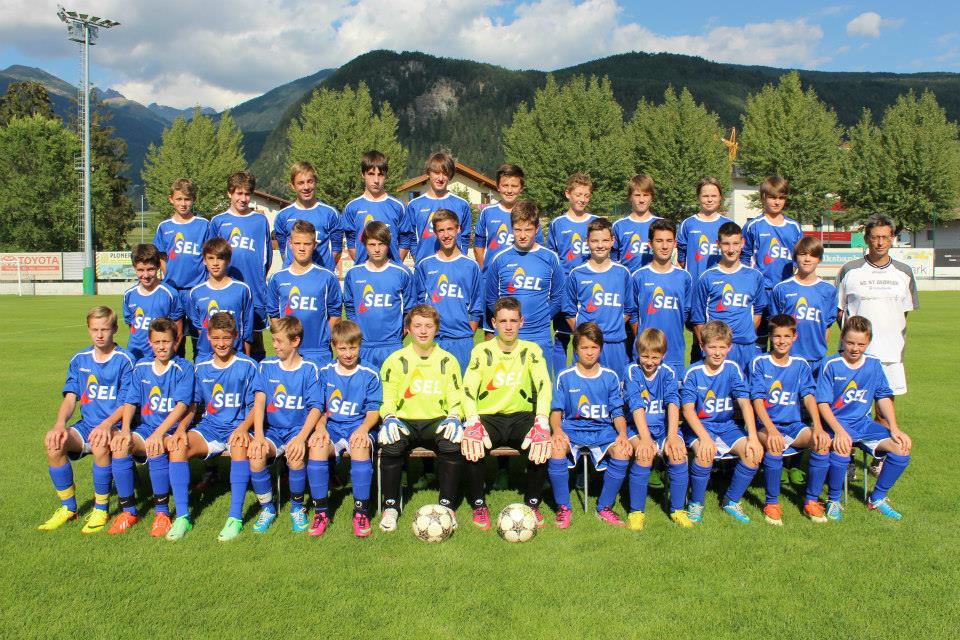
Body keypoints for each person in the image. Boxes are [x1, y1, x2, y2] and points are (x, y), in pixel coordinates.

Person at [38, 307, 136, 534]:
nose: (100, 335)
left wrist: (107, 424)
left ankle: (101, 508)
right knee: (54, 443)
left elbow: (127, 403)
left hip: (114, 426)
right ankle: (68, 508)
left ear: (115, 329)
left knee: (100, 443)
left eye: (105, 329)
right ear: (88, 330)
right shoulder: (79, 359)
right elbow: (70, 398)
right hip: (87, 425)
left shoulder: (125, 360)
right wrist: (60, 425)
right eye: (95, 330)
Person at [461, 297, 553, 529]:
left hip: (521, 416)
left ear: (522, 321)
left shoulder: (531, 350)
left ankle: (532, 504)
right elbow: (468, 388)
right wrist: (472, 420)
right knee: (473, 445)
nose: (509, 326)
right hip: (488, 417)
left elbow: (544, 385)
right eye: (503, 321)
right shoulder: (481, 350)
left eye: (513, 320)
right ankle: (479, 504)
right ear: (494, 323)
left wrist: (542, 420)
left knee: (540, 443)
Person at [165, 312, 258, 541]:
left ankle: (235, 518)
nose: (221, 343)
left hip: (238, 427)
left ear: (235, 336)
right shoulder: (202, 366)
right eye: (216, 338)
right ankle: (182, 517)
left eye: (226, 338)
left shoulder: (248, 365)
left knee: (239, 447)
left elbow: (257, 406)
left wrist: (243, 428)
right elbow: (193, 404)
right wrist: (181, 429)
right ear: (208, 337)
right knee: (177, 447)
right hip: (210, 428)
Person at [836, 214, 918, 476]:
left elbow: (903, 314)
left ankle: (878, 459)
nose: (880, 242)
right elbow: (840, 312)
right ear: (866, 238)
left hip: (890, 355)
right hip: (854, 357)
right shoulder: (850, 270)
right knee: (848, 410)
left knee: (884, 411)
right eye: (875, 237)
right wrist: (853, 344)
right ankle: (847, 458)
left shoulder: (904, 273)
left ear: (892, 239)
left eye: (885, 237)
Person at [376, 305, 465, 532]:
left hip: (436, 420)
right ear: (408, 328)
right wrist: (388, 417)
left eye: (428, 326)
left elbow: (456, 398)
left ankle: (447, 505)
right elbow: (387, 397)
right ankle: (391, 506)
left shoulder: (448, 360)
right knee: (391, 446)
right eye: (417, 326)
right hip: (403, 420)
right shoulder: (395, 360)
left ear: (437, 329)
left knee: (452, 445)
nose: (423, 331)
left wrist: (455, 416)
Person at [816, 316, 913, 521]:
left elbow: (883, 397)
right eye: (850, 342)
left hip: (864, 425)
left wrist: (894, 428)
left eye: (861, 344)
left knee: (901, 448)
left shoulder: (873, 364)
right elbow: (822, 403)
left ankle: (877, 498)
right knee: (843, 447)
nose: (855, 348)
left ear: (868, 342)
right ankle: (834, 500)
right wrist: (839, 432)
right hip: (836, 425)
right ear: (842, 339)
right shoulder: (830, 364)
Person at [112, 317, 194, 536]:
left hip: (170, 430)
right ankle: (128, 512)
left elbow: (182, 406)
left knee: (155, 446)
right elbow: (131, 401)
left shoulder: (184, 367)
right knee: (120, 445)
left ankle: (162, 514)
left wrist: (159, 433)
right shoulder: (142, 367)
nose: (161, 347)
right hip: (146, 428)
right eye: (157, 342)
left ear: (175, 341)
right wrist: (125, 429)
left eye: (166, 341)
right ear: (149, 342)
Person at [750, 314, 832, 526]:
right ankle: (772, 503)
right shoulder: (760, 362)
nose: (782, 341)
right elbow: (757, 401)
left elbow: (809, 396)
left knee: (822, 442)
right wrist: (771, 429)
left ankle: (811, 500)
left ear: (795, 337)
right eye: (777, 336)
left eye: (787, 336)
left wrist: (817, 427)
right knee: (774, 444)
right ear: (770, 336)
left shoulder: (800, 364)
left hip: (794, 426)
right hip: (766, 426)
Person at [548, 323, 631, 529]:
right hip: (572, 430)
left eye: (594, 347)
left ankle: (604, 507)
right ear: (576, 349)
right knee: (556, 447)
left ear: (601, 348)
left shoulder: (610, 376)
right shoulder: (564, 376)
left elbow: (617, 413)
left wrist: (622, 434)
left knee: (622, 451)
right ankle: (563, 507)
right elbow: (556, 412)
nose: (589, 352)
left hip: (602, 431)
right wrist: (557, 430)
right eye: (584, 347)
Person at [246, 316, 324, 534]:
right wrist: (258, 436)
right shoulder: (266, 366)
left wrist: (301, 439)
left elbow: (316, 408)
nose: (275, 345)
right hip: (272, 431)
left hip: (298, 430)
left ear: (295, 341)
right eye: (273, 340)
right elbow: (259, 401)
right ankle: (267, 508)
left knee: (295, 456)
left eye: (279, 341)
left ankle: (297, 507)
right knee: (256, 456)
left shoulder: (310, 368)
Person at [680, 320, 762, 524]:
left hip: (727, 427)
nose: (717, 353)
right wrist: (705, 438)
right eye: (712, 347)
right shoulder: (693, 372)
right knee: (705, 453)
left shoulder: (733, 369)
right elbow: (688, 410)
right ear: (702, 346)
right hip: (699, 428)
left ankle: (731, 501)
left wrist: (753, 437)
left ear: (729, 347)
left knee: (753, 453)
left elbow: (745, 404)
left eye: (722, 347)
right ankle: (696, 502)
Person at [308, 320, 382, 537]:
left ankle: (361, 512)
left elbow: (373, 411)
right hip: (332, 428)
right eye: (342, 348)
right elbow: (319, 408)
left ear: (360, 345)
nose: (348, 354)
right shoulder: (325, 372)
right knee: (317, 447)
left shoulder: (370, 373)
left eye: (353, 348)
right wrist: (320, 428)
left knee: (359, 447)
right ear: (334, 346)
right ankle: (321, 512)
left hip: (359, 426)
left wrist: (364, 429)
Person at [623, 328, 693, 530]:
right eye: (645, 356)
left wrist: (672, 436)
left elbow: (673, 403)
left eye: (655, 357)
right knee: (644, 455)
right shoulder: (631, 371)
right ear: (638, 353)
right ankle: (636, 512)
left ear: (663, 355)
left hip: (663, 429)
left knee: (678, 453)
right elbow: (636, 406)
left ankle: (678, 509)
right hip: (637, 428)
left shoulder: (668, 372)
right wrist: (645, 440)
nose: (649, 362)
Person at [484, 200, 564, 374]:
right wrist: (507, 321)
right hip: (507, 336)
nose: (522, 235)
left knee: (540, 386)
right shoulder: (500, 259)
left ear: (537, 229)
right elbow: (491, 298)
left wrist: (543, 317)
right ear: (511, 228)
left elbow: (558, 297)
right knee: (504, 385)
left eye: (527, 229)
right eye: (517, 229)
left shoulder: (550, 258)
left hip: (539, 336)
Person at [210, 171, 272, 360]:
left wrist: (258, 280)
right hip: (226, 292)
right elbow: (211, 257)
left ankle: (256, 374)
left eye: (247, 194)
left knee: (256, 338)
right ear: (230, 193)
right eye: (239, 193)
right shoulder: (218, 222)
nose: (243, 199)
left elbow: (266, 258)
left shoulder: (260, 221)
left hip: (255, 291)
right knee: (225, 337)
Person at [562, 217, 635, 378]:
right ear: (587, 241)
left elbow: (628, 309)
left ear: (612, 241)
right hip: (587, 346)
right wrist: (584, 336)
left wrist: (614, 326)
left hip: (615, 345)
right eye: (595, 241)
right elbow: (569, 311)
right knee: (585, 387)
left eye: (605, 240)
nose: (600, 245)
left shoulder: (623, 273)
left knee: (616, 388)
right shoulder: (577, 273)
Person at [413, 209, 482, 373]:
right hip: (432, 340)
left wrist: (467, 334)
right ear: (435, 233)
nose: (446, 235)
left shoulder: (471, 266)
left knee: (461, 387)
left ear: (458, 229)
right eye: (441, 230)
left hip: (461, 341)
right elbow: (419, 304)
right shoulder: (425, 265)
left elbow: (476, 306)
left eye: (450, 229)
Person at [691, 221, 766, 372]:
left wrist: (745, 333)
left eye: (735, 243)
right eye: (726, 244)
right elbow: (698, 319)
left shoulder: (755, 276)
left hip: (746, 348)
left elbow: (758, 311)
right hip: (717, 349)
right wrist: (708, 347)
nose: (731, 250)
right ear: (718, 244)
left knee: (746, 386)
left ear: (742, 243)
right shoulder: (707, 277)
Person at [266, 220, 342, 366]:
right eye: (297, 243)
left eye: (307, 244)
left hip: (319, 352)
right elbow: (274, 315)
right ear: (290, 243)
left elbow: (336, 314)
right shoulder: (277, 278)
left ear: (314, 245)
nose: (302, 248)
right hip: (289, 351)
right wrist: (283, 341)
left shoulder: (327, 277)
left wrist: (324, 339)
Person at [343, 221, 414, 371]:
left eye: (381, 244)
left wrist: (398, 336)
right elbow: (350, 308)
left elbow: (410, 310)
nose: (377, 249)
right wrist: (358, 335)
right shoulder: (354, 274)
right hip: (362, 347)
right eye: (372, 244)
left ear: (388, 244)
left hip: (392, 346)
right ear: (364, 245)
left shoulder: (402, 273)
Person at [741, 176, 803, 346]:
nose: (777, 202)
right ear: (763, 198)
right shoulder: (753, 226)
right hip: (760, 291)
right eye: (772, 197)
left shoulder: (794, 227)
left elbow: (800, 256)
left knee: (782, 339)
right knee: (758, 339)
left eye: (781, 198)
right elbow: (744, 256)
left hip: (785, 292)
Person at [152, 178, 211, 357]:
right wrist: (169, 277)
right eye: (179, 199)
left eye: (187, 199)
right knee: (175, 339)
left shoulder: (203, 224)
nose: (183, 204)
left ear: (194, 199)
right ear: (171, 199)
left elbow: (210, 254)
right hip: (173, 291)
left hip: (197, 290)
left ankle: (200, 370)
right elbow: (161, 256)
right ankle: (178, 370)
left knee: (200, 338)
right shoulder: (164, 227)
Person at [677, 177, 733, 362]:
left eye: (713, 196)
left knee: (721, 339)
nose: (709, 199)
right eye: (705, 195)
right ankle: (696, 374)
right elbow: (682, 261)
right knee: (698, 339)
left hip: (720, 293)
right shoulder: (688, 224)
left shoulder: (727, 224)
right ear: (698, 197)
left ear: (720, 197)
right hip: (696, 293)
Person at [547, 172, 597, 372]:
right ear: (568, 194)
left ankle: (585, 378)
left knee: (586, 338)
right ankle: (560, 381)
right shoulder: (557, 223)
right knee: (561, 338)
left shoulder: (596, 222)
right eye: (578, 194)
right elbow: (552, 259)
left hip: (588, 290)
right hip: (564, 289)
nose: (582, 199)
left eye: (586, 195)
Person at [630, 219, 693, 373]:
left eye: (669, 241)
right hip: (645, 355)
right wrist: (644, 340)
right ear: (650, 244)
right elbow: (633, 315)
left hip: (675, 354)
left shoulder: (684, 277)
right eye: (659, 241)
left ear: (675, 243)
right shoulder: (638, 276)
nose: (664, 246)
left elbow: (685, 313)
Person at [770, 236, 837, 377]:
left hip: (816, 360)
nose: (807, 259)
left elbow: (827, 327)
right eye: (802, 254)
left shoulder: (828, 290)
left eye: (812, 255)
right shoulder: (781, 289)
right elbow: (775, 327)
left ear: (819, 259)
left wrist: (819, 352)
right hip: (788, 359)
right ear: (795, 257)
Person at [187, 237, 253, 362]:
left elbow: (247, 329)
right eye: (211, 258)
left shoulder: (242, 290)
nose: (215, 263)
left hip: (235, 356)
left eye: (220, 258)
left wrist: (246, 359)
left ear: (228, 260)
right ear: (204, 260)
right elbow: (200, 329)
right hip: (206, 358)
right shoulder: (196, 293)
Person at [342, 150, 411, 265]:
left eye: (380, 174)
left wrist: (394, 265)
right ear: (363, 174)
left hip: (391, 271)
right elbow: (351, 242)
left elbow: (405, 240)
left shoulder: (398, 206)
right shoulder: (352, 207)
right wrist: (364, 266)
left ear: (385, 175)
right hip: (364, 271)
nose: (376, 180)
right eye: (371, 174)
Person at [273, 161, 342, 270]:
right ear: (293, 186)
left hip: (321, 275)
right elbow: (283, 252)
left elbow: (336, 251)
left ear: (315, 182)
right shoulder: (282, 216)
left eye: (310, 181)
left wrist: (322, 272)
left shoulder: (331, 213)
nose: (306, 187)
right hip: (293, 276)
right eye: (301, 183)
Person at [404, 151, 472, 263]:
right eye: (436, 172)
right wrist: (418, 259)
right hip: (424, 266)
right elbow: (410, 238)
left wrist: (461, 258)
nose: (440, 178)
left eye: (445, 173)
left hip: (454, 265)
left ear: (450, 176)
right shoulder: (414, 205)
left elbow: (465, 237)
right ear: (428, 173)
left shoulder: (461, 204)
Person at [472, 163, 543, 268]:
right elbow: (478, 246)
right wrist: (484, 272)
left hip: (521, 272)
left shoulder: (529, 213)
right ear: (498, 186)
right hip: (493, 274)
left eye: (514, 186)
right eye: (505, 185)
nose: (509, 190)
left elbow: (538, 247)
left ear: (521, 188)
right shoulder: (487, 212)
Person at [122, 243, 183, 361]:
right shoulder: (129, 295)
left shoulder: (170, 294)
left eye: (150, 269)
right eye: (140, 270)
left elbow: (178, 330)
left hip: (160, 358)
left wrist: (168, 355)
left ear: (158, 266)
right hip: (135, 357)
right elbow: (132, 327)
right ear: (134, 268)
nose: (145, 275)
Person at [613, 174, 662, 273]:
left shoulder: (661, 224)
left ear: (652, 197)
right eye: (637, 195)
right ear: (630, 197)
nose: (641, 200)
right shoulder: (619, 226)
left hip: (655, 280)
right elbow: (613, 260)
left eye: (646, 195)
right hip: (628, 280)